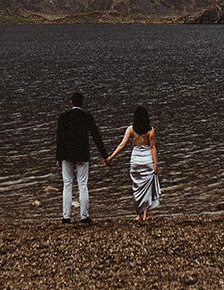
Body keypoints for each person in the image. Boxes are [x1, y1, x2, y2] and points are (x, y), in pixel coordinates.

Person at [56, 92, 108, 224]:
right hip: (82, 154)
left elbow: (59, 139)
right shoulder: (87, 117)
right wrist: (104, 155)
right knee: (82, 184)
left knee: (67, 184)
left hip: (66, 154)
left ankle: (66, 216)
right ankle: (84, 216)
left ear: (71, 102)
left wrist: (58, 157)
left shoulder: (63, 117)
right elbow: (96, 136)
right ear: (82, 103)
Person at [106, 105, 161, 223]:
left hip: (135, 161)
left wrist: (110, 157)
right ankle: (145, 215)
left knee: (137, 188)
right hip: (147, 160)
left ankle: (139, 215)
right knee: (146, 188)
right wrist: (155, 164)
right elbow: (152, 147)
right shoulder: (150, 130)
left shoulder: (131, 129)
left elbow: (122, 145)